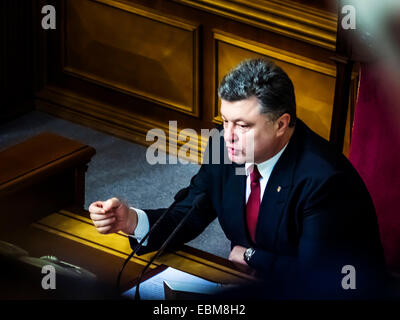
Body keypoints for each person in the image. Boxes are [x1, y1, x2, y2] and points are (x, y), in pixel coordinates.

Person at [89, 59, 386, 298]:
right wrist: (132, 222)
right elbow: (191, 211)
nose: (228, 136)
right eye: (224, 120)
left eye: (242, 125)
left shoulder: (323, 181)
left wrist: (253, 256)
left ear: (282, 124)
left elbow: (316, 277)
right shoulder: (223, 145)